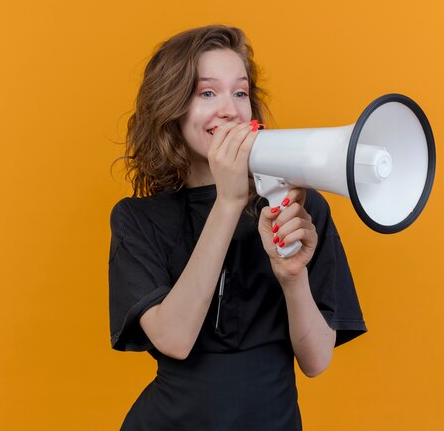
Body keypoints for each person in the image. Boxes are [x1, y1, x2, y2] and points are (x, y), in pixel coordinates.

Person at [108, 25, 366, 430]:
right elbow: (174, 339)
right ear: (171, 109)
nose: (229, 109)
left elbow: (316, 361)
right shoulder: (137, 220)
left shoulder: (300, 207)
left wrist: (293, 276)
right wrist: (229, 201)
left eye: (240, 92)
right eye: (207, 93)